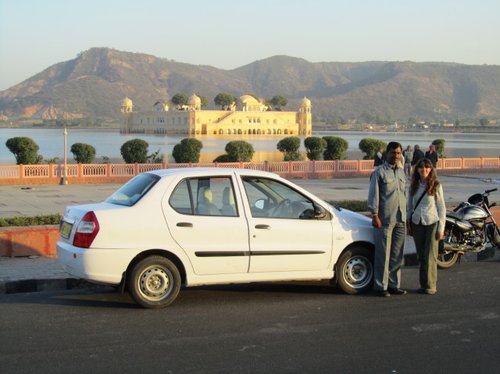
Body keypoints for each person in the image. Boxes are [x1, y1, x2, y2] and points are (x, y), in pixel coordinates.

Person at [368, 141, 407, 297]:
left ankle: (393, 284)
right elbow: (373, 195)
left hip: (400, 218)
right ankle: (381, 286)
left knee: (397, 254)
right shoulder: (379, 173)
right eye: (393, 152)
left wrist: (407, 216)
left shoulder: (402, 173)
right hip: (384, 219)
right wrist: (374, 215)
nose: (396, 156)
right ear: (387, 153)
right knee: (383, 254)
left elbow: (404, 195)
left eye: (398, 153)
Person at [407, 158, 446, 295]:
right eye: (421, 168)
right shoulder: (414, 186)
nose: (424, 170)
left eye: (427, 168)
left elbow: (441, 208)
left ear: (431, 169)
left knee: (431, 255)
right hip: (417, 222)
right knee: (421, 256)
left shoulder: (436, 185)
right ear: (417, 170)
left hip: (432, 222)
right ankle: (423, 284)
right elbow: (410, 206)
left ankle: (431, 285)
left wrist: (441, 228)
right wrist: (409, 223)